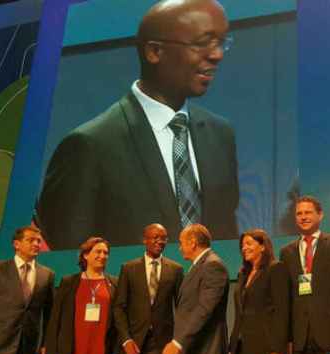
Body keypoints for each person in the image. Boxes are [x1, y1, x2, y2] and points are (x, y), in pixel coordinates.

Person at [36, 0, 239, 249]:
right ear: (154, 51)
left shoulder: (220, 135)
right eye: (202, 43)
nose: (216, 55)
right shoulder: (88, 146)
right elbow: (69, 260)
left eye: (220, 43)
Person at [0, 226, 55, 354]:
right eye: (31, 240)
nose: (36, 244)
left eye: (38, 241)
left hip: (29, 348)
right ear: (16, 244)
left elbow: (49, 315)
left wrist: (46, 345)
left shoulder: (47, 274)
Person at [279, 196, 330, 354]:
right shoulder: (286, 252)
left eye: (308, 212)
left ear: (320, 215)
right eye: (299, 213)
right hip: (300, 338)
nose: (303, 217)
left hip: (329, 335)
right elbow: (286, 298)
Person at [113, 224, 184, 354]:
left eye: (164, 238)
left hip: (162, 342)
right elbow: (119, 307)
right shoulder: (129, 268)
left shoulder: (176, 269)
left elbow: (181, 307)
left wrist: (177, 340)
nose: (160, 242)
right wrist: (126, 339)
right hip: (133, 341)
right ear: (144, 240)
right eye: (155, 237)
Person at [162, 223, 229, 354]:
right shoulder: (199, 266)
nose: (180, 248)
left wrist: (178, 341)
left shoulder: (213, 265)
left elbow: (204, 309)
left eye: (181, 243)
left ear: (193, 243)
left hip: (206, 349)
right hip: (195, 348)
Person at [44, 237, 119, 354]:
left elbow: (119, 323)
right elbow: (55, 320)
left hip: (102, 353)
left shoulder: (115, 284)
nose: (103, 255)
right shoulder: (68, 283)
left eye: (106, 253)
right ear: (85, 255)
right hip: (70, 353)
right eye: (98, 251)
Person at [229, 229, 289, 354]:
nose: (244, 248)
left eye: (249, 244)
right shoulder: (242, 274)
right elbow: (239, 313)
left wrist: (278, 350)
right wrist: (232, 347)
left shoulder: (275, 269)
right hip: (241, 347)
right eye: (242, 245)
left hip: (265, 347)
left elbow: (282, 312)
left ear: (262, 246)